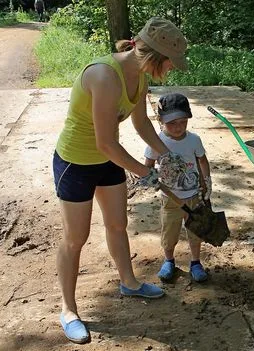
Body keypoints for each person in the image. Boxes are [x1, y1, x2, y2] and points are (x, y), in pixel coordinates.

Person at [53, 17, 189, 344]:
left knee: (117, 224)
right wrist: (146, 172)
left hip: (106, 161)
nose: (171, 70)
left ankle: (128, 281)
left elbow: (141, 123)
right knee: (76, 237)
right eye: (170, 63)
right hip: (76, 163)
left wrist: (167, 155)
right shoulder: (102, 75)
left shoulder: (139, 76)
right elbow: (105, 142)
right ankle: (68, 309)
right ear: (155, 56)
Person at [144, 93, 211, 283]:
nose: (178, 127)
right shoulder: (157, 142)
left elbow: (202, 160)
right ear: (161, 121)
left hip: (193, 195)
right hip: (171, 198)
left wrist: (207, 180)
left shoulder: (193, 140)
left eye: (183, 122)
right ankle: (169, 260)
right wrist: (150, 177)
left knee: (195, 230)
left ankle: (196, 263)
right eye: (172, 123)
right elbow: (148, 165)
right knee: (169, 231)